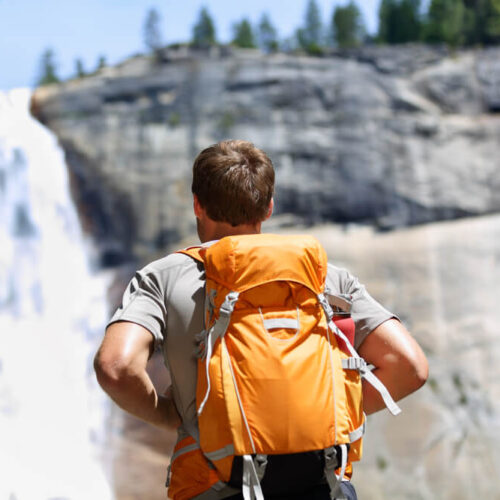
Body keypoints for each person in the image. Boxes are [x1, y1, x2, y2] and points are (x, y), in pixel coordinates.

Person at [94, 140, 428, 499]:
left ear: (197, 204)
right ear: (269, 207)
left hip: (216, 486)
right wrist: (325, 417)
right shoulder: (325, 277)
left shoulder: (164, 276)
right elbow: (409, 367)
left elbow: (116, 366)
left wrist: (166, 414)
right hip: (320, 486)